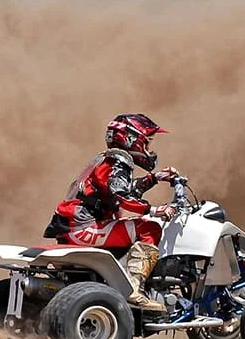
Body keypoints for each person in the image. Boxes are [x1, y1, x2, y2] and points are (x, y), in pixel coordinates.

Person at [43, 113, 181, 312]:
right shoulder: (120, 159)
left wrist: (154, 178)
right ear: (132, 138)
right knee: (149, 228)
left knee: (133, 225)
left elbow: (123, 189)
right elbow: (122, 196)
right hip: (84, 228)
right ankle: (134, 290)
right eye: (147, 142)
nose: (148, 149)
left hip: (72, 226)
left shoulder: (105, 159)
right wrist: (154, 210)